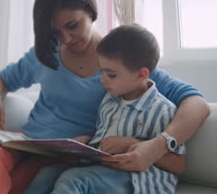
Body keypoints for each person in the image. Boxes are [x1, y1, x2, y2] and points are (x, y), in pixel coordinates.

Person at [0, 0, 210, 194]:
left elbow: (197, 104)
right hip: (29, 142)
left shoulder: (122, 59)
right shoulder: (46, 54)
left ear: (90, 10)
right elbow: (2, 80)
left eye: (72, 26)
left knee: (28, 182)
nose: (66, 38)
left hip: (67, 158)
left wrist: (156, 146)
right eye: (56, 32)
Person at [25, 24, 185, 194]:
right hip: (101, 167)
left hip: (138, 180)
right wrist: (87, 141)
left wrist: (134, 144)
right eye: (102, 72)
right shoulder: (109, 101)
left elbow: (178, 164)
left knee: (75, 179)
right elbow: (105, 139)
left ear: (141, 75)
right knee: (47, 173)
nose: (102, 80)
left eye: (111, 75)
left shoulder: (162, 110)